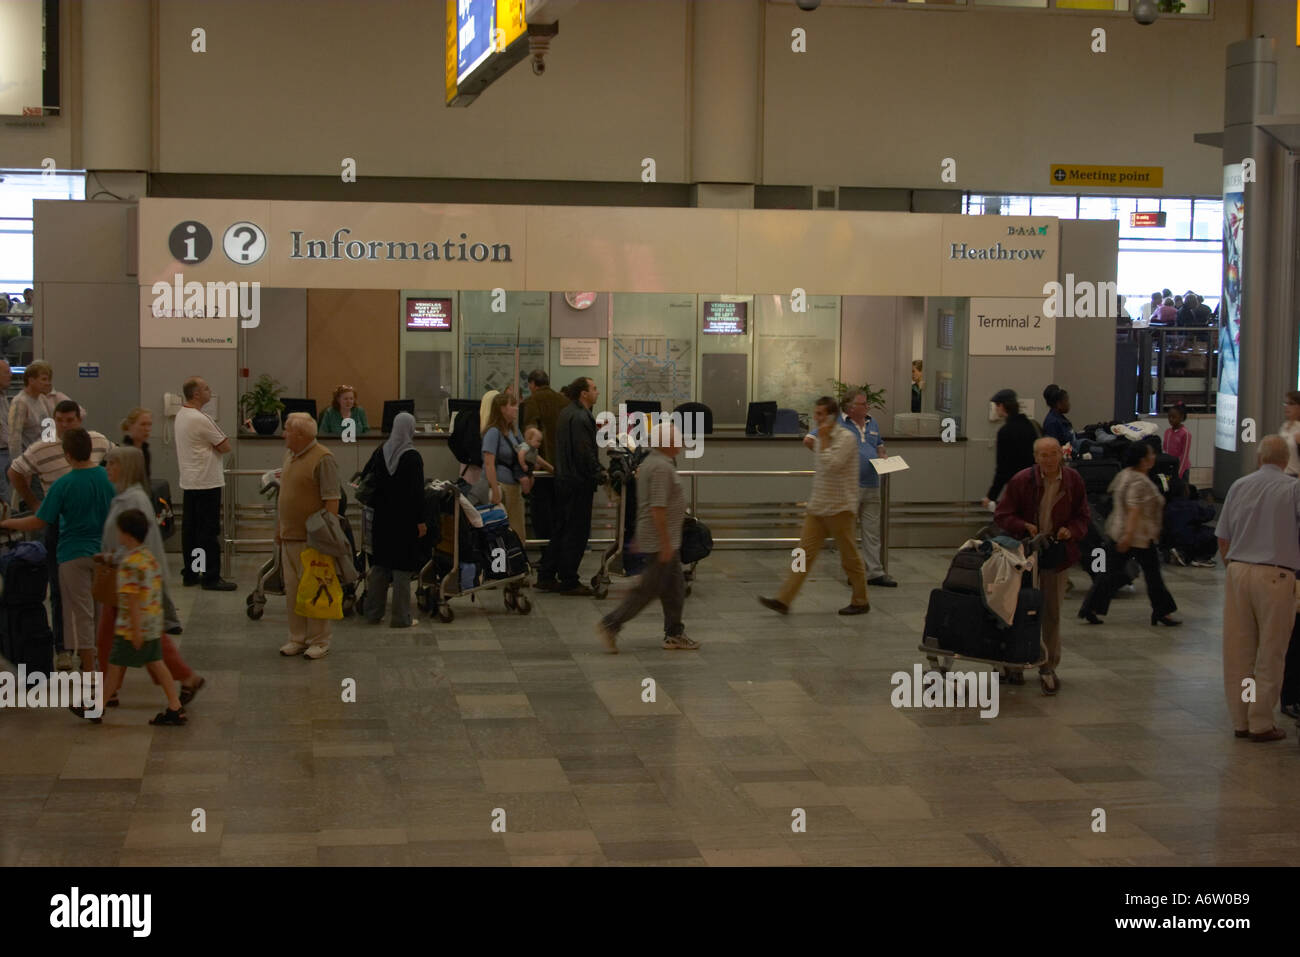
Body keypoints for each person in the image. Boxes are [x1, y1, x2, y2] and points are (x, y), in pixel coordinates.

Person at [1, 428, 116, 705]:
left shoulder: (65, 483)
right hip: (102, 554)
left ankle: (90, 676)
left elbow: (39, 521)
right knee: (100, 615)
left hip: (72, 555)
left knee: (80, 617)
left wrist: (6, 523)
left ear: (67, 454)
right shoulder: (105, 478)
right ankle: (107, 676)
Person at [96, 447, 203, 709]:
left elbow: (138, 542)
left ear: (125, 468)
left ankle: (107, 693)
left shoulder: (133, 500)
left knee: (129, 639)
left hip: (133, 582)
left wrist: (117, 560)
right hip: (127, 577)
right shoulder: (124, 497)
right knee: (123, 638)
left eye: (112, 464)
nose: (107, 468)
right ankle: (109, 692)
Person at [1215, 435, 1300, 742]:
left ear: (1259, 459)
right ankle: (1261, 721)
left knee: (1240, 652)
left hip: (1238, 572)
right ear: (1285, 460)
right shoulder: (1292, 488)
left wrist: (1234, 570)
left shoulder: (1239, 485)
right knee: (1270, 651)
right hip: (1275, 576)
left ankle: (1241, 718)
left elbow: (1222, 538)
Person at [994, 437, 1090, 696]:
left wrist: (1071, 531)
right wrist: (1023, 527)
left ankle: (1048, 664)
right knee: (1015, 609)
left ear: (1062, 454)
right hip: (1023, 556)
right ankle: (1013, 661)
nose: (1048, 459)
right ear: (1035, 457)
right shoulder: (1021, 481)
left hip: (1055, 556)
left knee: (1052, 611)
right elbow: (1002, 515)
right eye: (1043, 455)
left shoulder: (1072, 481)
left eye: (1053, 453)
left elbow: (1083, 516)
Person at [759, 396, 871, 617]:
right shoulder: (821, 438)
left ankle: (861, 600)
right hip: (818, 507)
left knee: (849, 557)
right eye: (816, 414)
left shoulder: (845, 438)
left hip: (840, 508)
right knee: (802, 554)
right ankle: (784, 598)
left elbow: (833, 465)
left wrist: (825, 440)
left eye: (821, 414)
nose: (817, 418)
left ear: (832, 416)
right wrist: (822, 439)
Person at [595, 422, 699, 653]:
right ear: (667, 443)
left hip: (662, 539)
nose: (681, 442)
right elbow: (657, 508)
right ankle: (611, 624)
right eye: (677, 438)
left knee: (675, 587)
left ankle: (674, 633)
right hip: (660, 540)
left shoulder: (653, 462)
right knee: (647, 590)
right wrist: (664, 543)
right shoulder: (661, 467)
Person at [95, 509, 187, 726]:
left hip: (131, 629)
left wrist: (136, 632)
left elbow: (133, 601)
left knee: (115, 667)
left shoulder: (129, 565)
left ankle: (97, 708)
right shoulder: (148, 558)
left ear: (126, 535)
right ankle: (175, 706)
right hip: (153, 624)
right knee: (157, 664)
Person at [1078, 442, 1179, 627]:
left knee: (1111, 573)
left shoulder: (1124, 475)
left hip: (1123, 533)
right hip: (1136, 537)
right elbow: (1133, 509)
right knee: (1151, 575)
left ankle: (1090, 608)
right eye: (1151, 454)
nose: (1154, 457)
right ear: (1143, 460)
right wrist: (1128, 535)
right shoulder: (1139, 482)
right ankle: (1162, 612)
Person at [275, 412, 341, 659]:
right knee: (292, 590)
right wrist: (278, 528)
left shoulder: (323, 458)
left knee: (315, 590)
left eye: (287, 430)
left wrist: (326, 538)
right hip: (289, 535)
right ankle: (297, 638)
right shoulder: (290, 455)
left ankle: (319, 640)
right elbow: (285, 496)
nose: (283, 434)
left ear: (300, 434)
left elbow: (332, 501)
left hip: (313, 540)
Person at [360, 411, 426, 628]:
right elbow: (417, 493)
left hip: (381, 518)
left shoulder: (381, 451)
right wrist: (421, 521)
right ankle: (401, 617)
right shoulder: (412, 457)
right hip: (404, 520)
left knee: (380, 566)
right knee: (402, 569)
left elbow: (365, 476)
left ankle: (373, 612)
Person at [540, 377, 601, 595]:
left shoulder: (566, 413)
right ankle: (569, 579)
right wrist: (598, 473)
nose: (597, 392)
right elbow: (584, 451)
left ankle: (546, 575)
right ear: (583, 393)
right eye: (594, 389)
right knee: (576, 532)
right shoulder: (581, 417)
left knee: (561, 529)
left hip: (564, 480)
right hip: (578, 482)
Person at [175, 376, 235, 591]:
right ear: (197, 394)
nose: (210, 391)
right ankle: (210, 577)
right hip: (207, 481)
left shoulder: (181, 415)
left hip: (190, 480)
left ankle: (192, 572)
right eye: (206, 388)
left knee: (191, 531)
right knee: (208, 532)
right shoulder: (201, 418)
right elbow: (225, 445)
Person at [841, 389, 896, 587]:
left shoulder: (873, 422)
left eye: (866, 404)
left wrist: (882, 454)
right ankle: (853, 571)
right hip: (850, 486)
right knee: (848, 534)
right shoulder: (840, 424)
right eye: (863, 404)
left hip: (872, 484)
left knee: (872, 531)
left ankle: (875, 572)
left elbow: (879, 443)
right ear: (850, 407)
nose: (867, 407)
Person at [520, 369, 568, 563]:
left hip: (542, 468)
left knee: (541, 514)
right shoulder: (563, 401)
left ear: (532, 384)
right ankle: (558, 554)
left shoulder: (532, 402)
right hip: (562, 467)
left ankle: (547, 555)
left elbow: (531, 436)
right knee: (559, 513)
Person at [8, 360, 77, 474]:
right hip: (29, 460)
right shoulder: (20, 402)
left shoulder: (42, 399)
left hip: (44, 458)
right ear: (31, 380)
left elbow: (49, 430)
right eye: (44, 379)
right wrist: (19, 467)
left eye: (49, 379)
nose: (48, 383)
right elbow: (14, 438)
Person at [481, 392, 527, 545]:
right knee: (504, 533)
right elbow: (489, 463)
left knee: (518, 531)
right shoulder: (493, 432)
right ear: (502, 409)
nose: (516, 409)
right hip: (502, 487)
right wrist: (494, 489)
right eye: (512, 405)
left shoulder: (514, 431)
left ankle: (516, 565)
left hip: (514, 488)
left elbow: (526, 449)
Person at [982, 389, 1038, 510]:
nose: (996, 409)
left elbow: (1002, 468)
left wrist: (991, 495)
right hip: (1034, 482)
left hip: (1016, 486)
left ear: (1002, 406)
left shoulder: (1005, 432)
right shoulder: (1030, 426)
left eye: (996, 405)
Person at [120, 407, 155, 479]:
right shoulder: (123, 452)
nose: (147, 429)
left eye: (149, 424)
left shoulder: (145, 451)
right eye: (143, 424)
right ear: (130, 426)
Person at [1041, 384, 1075, 454]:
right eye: (1066, 401)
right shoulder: (1052, 422)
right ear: (1058, 404)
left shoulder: (1060, 418)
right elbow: (1053, 449)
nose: (1068, 404)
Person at [1164, 402, 1192, 480]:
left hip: (1181, 469)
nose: (1170, 419)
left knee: (1182, 490)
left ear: (1181, 417)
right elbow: (1165, 450)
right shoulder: (1168, 432)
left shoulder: (1185, 433)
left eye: (1174, 417)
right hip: (1169, 468)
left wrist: (1179, 473)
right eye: (1169, 417)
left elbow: (1184, 455)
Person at [1279, 391, 1300, 478]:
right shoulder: (1284, 426)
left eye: (1291, 403)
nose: (1287, 407)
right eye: (1286, 403)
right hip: (1280, 474)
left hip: (1294, 476)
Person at [0, 359, 12, 503]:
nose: (10, 375)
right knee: (4, 497)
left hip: (6, 451)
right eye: (6, 372)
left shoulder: (3, 397)